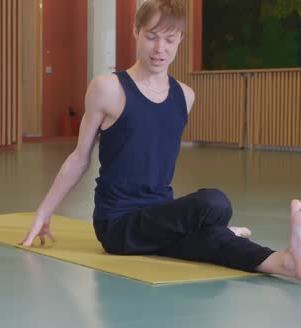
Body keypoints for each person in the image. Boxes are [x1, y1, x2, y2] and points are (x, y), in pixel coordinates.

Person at [19, 0, 301, 280]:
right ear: (136, 31)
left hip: (162, 216)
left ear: (180, 40)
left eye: (169, 39)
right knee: (213, 203)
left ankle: (286, 263)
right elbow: (80, 157)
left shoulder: (185, 96)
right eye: (151, 37)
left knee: (215, 223)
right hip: (119, 225)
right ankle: (215, 232)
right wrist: (44, 212)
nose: (159, 49)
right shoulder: (107, 89)